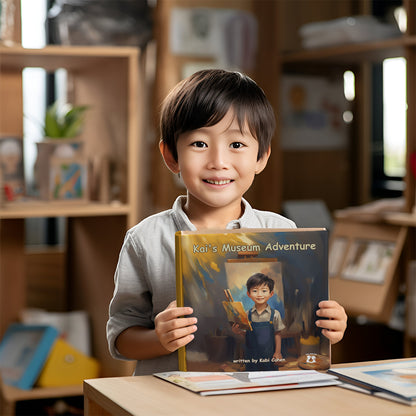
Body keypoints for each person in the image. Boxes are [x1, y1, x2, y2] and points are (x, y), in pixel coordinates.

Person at [106, 69, 348, 376]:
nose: (218, 161)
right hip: (171, 402)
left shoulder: (282, 233)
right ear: (171, 156)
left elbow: (301, 329)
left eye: (236, 145)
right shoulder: (146, 239)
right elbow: (121, 337)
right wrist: (159, 339)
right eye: (199, 144)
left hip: (260, 399)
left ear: (261, 156)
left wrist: (330, 326)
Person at [234, 273, 285, 371]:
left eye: (264, 291)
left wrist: (278, 352)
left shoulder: (275, 314)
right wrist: (238, 332)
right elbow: (247, 334)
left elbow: (278, 333)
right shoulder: (246, 314)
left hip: (269, 357)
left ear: (271, 293)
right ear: (248, 294)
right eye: (255, 291)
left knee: (270, 379)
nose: (259, 294)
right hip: (251, 357)